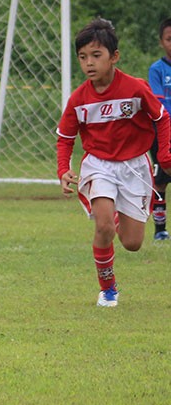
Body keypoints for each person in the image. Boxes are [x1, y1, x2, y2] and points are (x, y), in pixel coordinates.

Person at [57, 19, 171, 307]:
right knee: (104, 226)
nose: (89, 63)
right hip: (99, 165)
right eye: (83, 57)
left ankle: (119, 215)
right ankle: (108, 289)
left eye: (96, 56)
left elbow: (162, 118)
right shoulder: (78, 100)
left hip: (135, 166)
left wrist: (165, 155)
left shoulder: (135, 88)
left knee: (132, 243)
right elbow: (65, 138)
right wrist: (63, 169)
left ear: (114, 57)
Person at [147, 17, 171, 241]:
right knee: (160, 181)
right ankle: (160, 230)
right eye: (169, 39)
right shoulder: (157, 69)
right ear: (161, 42)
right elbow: (158, 104)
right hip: (163, 133)